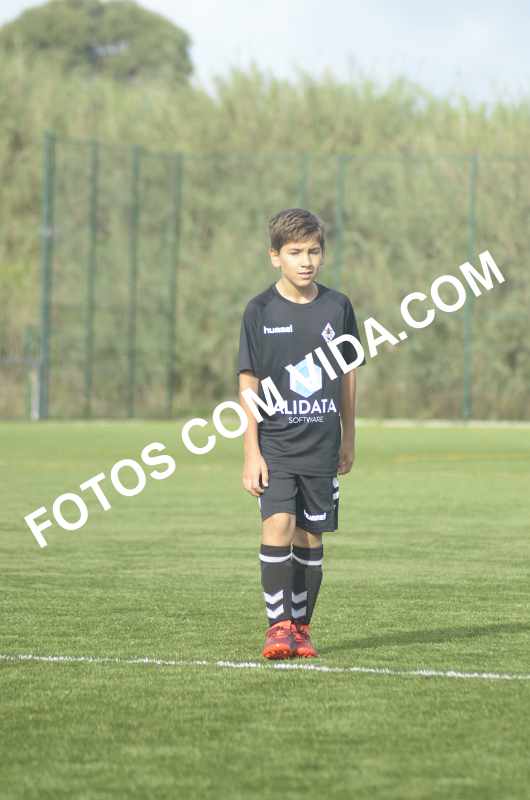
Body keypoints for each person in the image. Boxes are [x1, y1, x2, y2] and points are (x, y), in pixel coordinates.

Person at [237, 207, 365, 659]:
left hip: (322, 444)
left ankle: (301, 628)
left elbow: (348, 375)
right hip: (275, 443)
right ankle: (278, 628)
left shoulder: (338, 307)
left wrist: (349, 437)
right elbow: (248, 381)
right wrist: (251, 452)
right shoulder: (259, 310)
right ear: (275, 256)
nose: (306, 261)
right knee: (278, 524)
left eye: (313, 251)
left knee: (310, 537)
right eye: (295, 252)